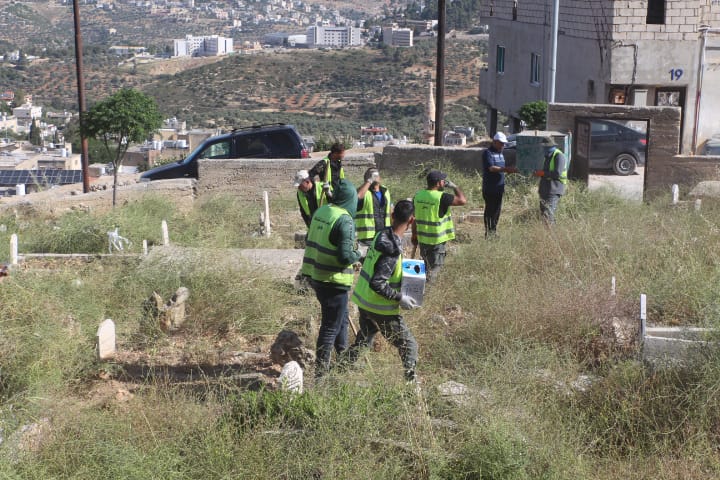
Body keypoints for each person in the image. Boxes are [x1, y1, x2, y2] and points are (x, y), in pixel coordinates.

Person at [348, 199, 419, 382]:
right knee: (409, 346)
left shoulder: (381, 234)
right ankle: (410, 387)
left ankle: (341, 369)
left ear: (392, 215)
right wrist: (399, 297)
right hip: (380, 308)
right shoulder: (392, 249)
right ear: (411, 220)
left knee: (364, 341)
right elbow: (377, 283)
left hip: (364, 301)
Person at [302, 178, 362, 378]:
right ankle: (321, 376)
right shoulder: (345, 220)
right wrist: (359, 254)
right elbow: (345, 256)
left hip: (316, 275)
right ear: (350, 200)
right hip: (333, 280)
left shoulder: (322, 211)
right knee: (330, 327)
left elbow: (310, 238)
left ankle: (342, 357)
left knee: (341, 318)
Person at [411, 169, 467, 282]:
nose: (444, 182)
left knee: (426, 265)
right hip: (436, 241)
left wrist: (414, 235)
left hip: (423, 239)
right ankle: (429, 289)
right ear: (438, 183)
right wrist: (455, 187)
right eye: (443, 181)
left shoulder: (418, 196)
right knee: (434, 269)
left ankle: (422, 285)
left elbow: (414, 218)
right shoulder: (442, 197)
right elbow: (462, 200)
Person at [482, 132, 518, 237]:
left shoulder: (501, 153)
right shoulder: (488, 153)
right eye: (501, 143)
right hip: (490, 188)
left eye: (504, 143)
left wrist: (510, 169)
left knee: (497, 211)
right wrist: (507, 169)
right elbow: (491, 168)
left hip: (499, 188)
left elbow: (501, 168)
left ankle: (493, 232)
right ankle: (488, 233)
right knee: (490, 210)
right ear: (495, 142)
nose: (503, 145)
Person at [533, 137, 569, 225]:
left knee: (548, 215)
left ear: (549, 146)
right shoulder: (548, 156)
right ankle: (548, 232)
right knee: (544, 215)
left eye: (544, 147)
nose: (543, 149)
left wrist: (542, 173)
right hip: (545, 189)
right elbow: (546, 172)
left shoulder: (559, 156)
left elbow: (557, 174)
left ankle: (551, 232)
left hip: (554, 189)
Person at [355, 167, 391, 246]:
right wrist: (369, 181)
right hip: (368, 238)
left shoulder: (385, 191)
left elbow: (390, 212)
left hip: (385, 235)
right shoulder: (363, 192)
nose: (374, 176)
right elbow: (357, 197)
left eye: (376, 174)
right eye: (371, 174)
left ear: (380, 177)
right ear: (366, 178)